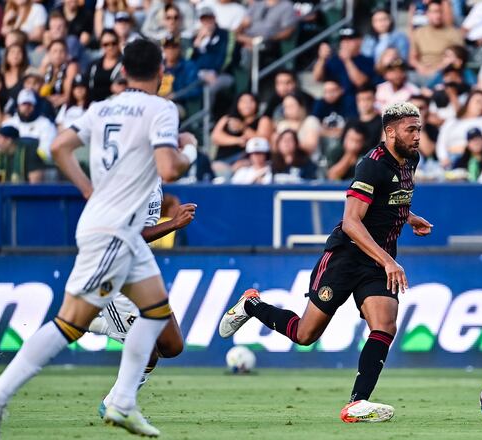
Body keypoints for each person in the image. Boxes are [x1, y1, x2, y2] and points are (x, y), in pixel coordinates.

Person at [0, 39, 193, 438]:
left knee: (161, 323)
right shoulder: (161, 108)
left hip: (118, 229)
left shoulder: (102, 107)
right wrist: (191, 151)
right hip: (115, 231)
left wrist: (86, 189)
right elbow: (172, 166)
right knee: (69, 325)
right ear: (161, 71)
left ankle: (122, 401)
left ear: (123, 71)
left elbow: (59, 146)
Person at [218, 102, 433, 424]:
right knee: (305, 335)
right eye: (411, 129)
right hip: (346, 257)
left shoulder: (410, 160)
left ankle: (357, 403)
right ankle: (251, 306)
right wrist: (389, 260)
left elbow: (387, 202)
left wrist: (409, 217)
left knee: (385, 324)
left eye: (419, 128)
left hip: (375, 262)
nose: (418, 136)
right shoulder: (371, 165)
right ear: (390, 132)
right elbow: (351, 222)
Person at [89, 181, 197, 417]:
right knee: (147, 350)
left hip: (142, 270)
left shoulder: (153, 175)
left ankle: (99, 322)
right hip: (115, 272)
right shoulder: (129, 175)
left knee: (172, 346)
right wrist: (173, 224)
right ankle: (114, 404)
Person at [409, 0, 464, 85]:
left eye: (440, 11)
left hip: (444, 73)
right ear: (427, 14)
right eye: (434, 12)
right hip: (422, 72)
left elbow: (456, 59)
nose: (438, 15)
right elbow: (412, 58)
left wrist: (435, 70)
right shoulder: (418, 33)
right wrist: (420, 67)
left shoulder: (454, 33)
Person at [313, 27, 375, 99]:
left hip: (358, 101)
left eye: (350, 39)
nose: (346, 43)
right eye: (343, 40)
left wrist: (348, 61)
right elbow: (317, 78)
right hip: (338, 102)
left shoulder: (367, 61)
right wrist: (321, 59)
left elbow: (361, 83)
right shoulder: (334, 60)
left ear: (360, 41)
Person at [1, 89, 57, 163]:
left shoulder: (45, 124)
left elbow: (46, 152)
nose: (27, 107)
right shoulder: (9, 123)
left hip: (37, 165)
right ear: (18, 106)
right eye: (24, 104)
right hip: (11, 162)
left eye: (30, 104)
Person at [86, 29, 122, 103]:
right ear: (101, 45)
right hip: (94, 105)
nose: (110, 47)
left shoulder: (125, 64)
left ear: (118, 43)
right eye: (106, 44)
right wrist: (110, 88)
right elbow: (87, 87)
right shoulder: (93, 66)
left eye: (113, 43)